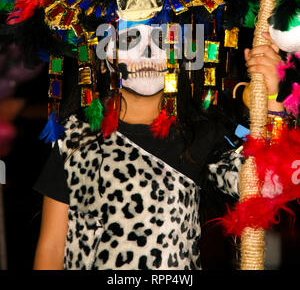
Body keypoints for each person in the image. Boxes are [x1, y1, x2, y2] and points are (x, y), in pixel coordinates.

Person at [33, 26, 284, 270]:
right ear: (103, 54)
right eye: (130, 39)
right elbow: (52, 247)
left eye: (161, 39)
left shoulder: (201, 134)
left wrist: (272, 101)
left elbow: (270, 185)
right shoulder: (77, 136)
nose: (147, 52)